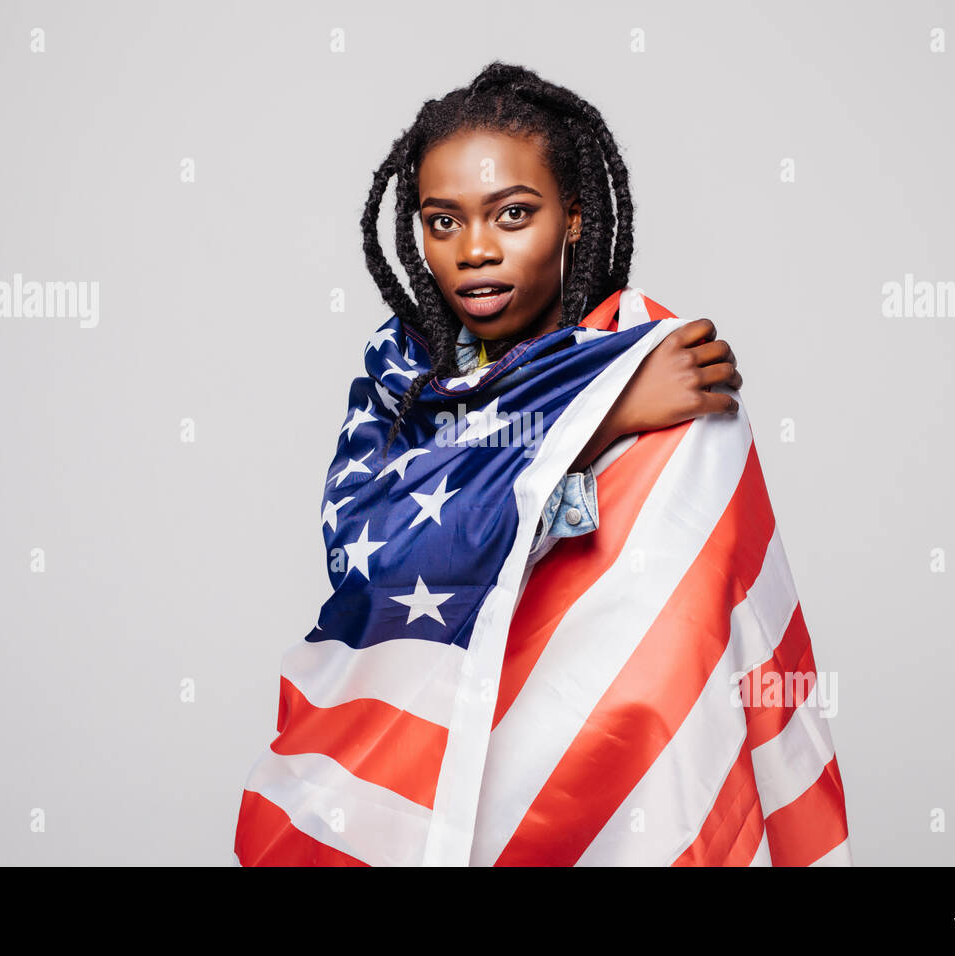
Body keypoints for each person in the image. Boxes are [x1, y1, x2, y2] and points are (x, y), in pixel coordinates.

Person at [234, 61, 850, 867]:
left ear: (574, 220)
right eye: (442, 221)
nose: (475, 250)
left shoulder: (660, 362)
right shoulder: (399, 377)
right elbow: (378, 561)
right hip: (422, 772)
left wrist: (603, 411)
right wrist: (602, 421)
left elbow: (685, 618)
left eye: (513, 214)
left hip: (601, 782)